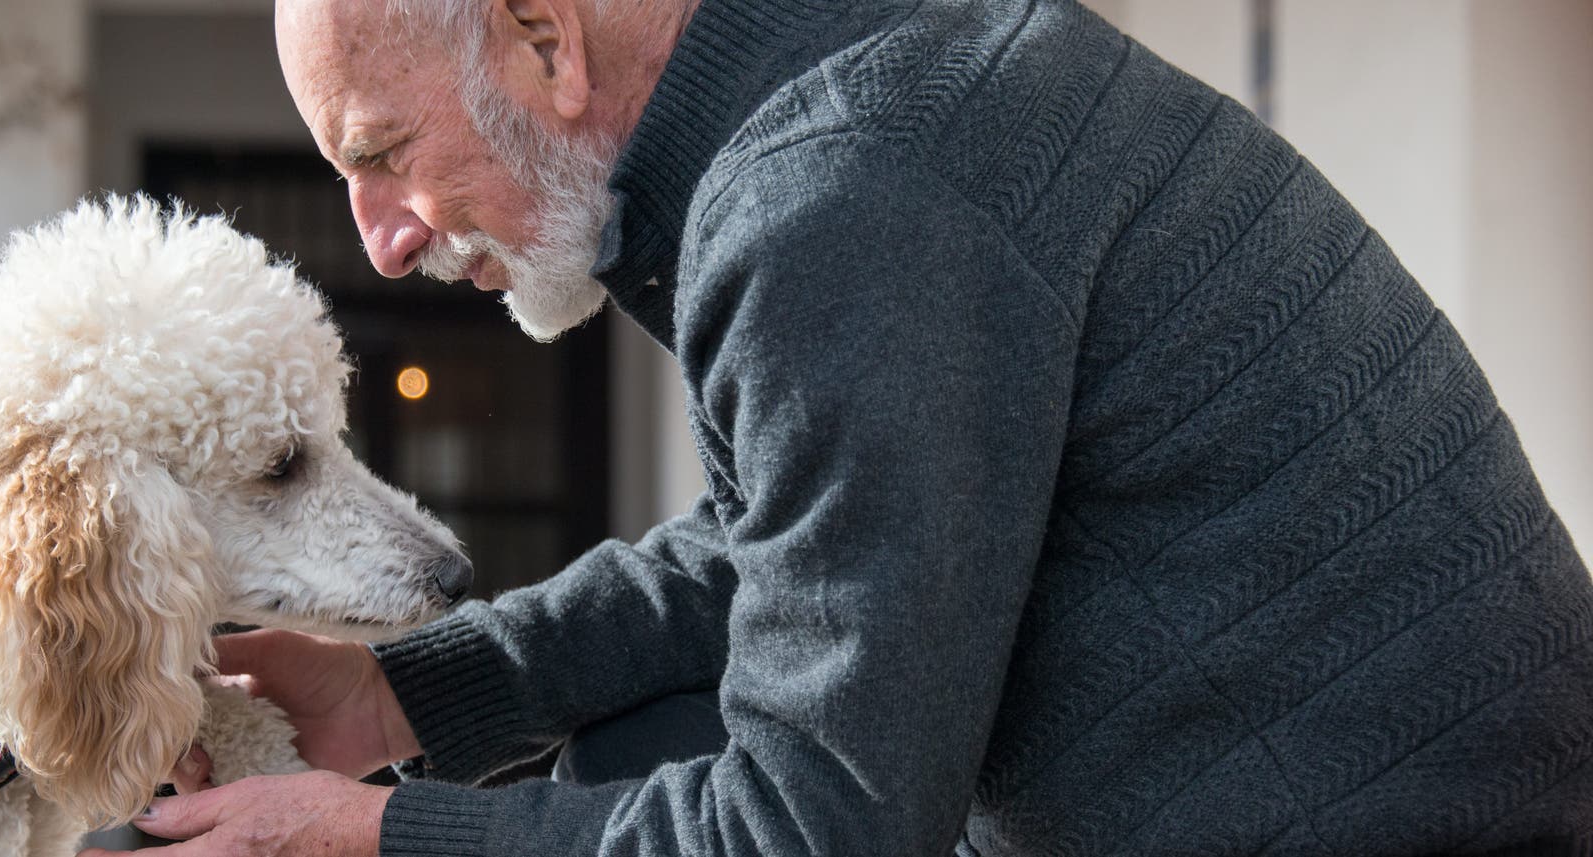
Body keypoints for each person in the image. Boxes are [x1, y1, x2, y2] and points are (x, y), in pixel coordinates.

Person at [83, 0, 1593, 854]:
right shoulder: (838, 101)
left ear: (545, 37)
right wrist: (405, 702)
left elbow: (813, 836)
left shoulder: (841, 196)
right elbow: (795, 546)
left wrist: (369, 842)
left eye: (385, 153)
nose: (382, 240)